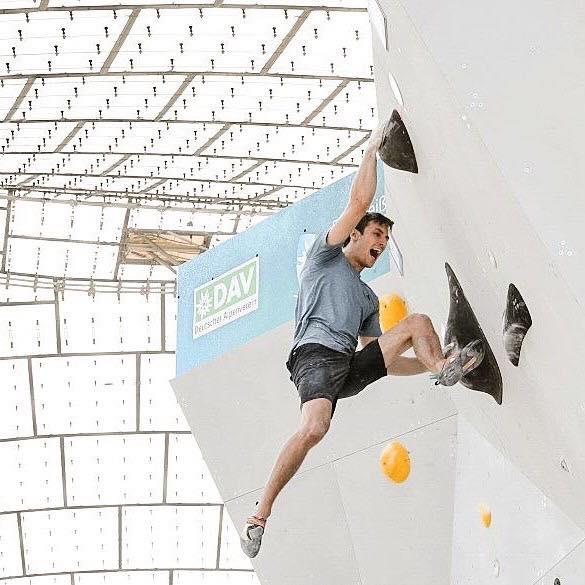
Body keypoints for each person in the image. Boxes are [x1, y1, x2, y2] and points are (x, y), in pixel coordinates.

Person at [240, 121, 484, 558]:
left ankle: (445, 366)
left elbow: (381, 359)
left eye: (386, 239)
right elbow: (358, 202)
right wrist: (371, 150)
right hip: (315, 357)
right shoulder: (323, 258)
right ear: (354, 235)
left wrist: (428, 364)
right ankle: (260, 515)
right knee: (315, 427)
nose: (382, 243)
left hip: (349, 369)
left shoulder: (368, 298)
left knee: (417, 323)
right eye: (376, 235)